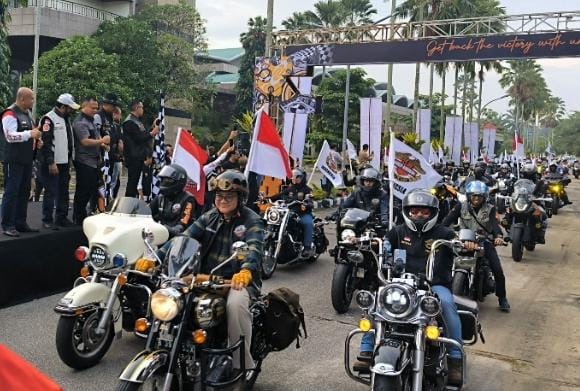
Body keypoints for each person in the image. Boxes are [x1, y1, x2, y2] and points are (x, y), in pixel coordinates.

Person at [156, 169, 263, 376]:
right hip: (204, 278)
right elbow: (183, 238)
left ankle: (241, 366)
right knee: (169, 294)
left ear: (240, 198)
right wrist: (155, 257)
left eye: (229, 196)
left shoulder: (252, 220)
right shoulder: (209, 217)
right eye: (219, 196)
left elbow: (254, 248)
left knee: (235, 306)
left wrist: (246, 270)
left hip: (235, 282)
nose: (223, 200)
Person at [358, 189, 465, 385]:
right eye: (414, 211)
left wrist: (465, 245)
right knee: (376, 301)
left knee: (448, 305)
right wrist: (373, 243)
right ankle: (366, 349)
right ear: (407, 212)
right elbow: (385, 243)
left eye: (424, 212)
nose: (419, 215)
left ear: (433, 213)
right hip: (401, 285)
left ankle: (455, 359)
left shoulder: (444, 233)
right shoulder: (398, 231)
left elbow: (458, 244)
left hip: (434, 286)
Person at [442, 180, 510, 312]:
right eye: (473, 195)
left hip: (483, 241)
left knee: (497, 269)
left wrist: (498, 237)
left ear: (484, 197)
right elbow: (446, 222)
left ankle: (502, 297)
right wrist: (442, 232)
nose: (476, 198)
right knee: (442, 261)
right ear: (468, 196)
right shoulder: (460, 207)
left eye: (479, 196)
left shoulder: (490, 209)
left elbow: (494, 225)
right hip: (462, 241)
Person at [0, 87, 42, 236]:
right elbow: (10, 136)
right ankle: (7, 225)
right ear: (22, 99)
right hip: (13, 159)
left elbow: (30, 134)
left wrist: (36, 141)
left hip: (26, 159)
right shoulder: (10, 113)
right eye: (31, 98)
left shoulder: (27, 114)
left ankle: (20, 222)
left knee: (24, 192)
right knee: (11, 192)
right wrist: (30, 134)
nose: (33, 101)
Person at [38, 93, 78, 229]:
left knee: (64, 190)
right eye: (70, 107)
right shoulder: (49, 119)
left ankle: (61, 217)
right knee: (50, 191)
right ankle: (47, 219)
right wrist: (50, 162)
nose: (72, 110)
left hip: (64, 161)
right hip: (52, 162)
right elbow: (46, 143)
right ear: (63, 106)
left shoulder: (66, 119)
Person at [72, 97, 110, 225]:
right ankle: (78, 217)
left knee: (95, 189)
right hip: (84, 161)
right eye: (92, 108)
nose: (95, 110)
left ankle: (92, 212)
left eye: (96, 108)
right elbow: (85, 141)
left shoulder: (92, 120)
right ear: (84, 106)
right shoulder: (80, 122)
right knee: (83, 190)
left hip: (94, 161)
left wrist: (103, 145)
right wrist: (102, 141)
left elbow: (95, 136)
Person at [267, 168, 315, 257]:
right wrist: (267, 198)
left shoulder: (307, 190)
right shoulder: (290, 188)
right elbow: (279, 195)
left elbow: (311, 201)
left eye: (297, 177)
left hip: (303, 214)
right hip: (290, 212)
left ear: (302, 178)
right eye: (293, 177)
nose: (294, 179)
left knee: (308, 223)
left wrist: (308, 203)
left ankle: (307, 247)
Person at [123, 100, 158, 198]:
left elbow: (143, 135)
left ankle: (133, 202)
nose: (143, 110)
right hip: (133, 156)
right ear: (136, 108)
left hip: (139, 156)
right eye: (141, 107)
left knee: (135, 183)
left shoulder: (137, 121)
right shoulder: (130, 122)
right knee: (132, 183)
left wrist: (152, 129)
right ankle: (128, 203)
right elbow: (138, 138)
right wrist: (151, 134)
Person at [150, 164, 197, 237]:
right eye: (163, 179)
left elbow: (183, 223)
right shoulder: (160, 198)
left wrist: (168, 229)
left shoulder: (188, 200)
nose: (163, 182)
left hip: (177, 239)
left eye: (167, 180)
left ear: (179, 182)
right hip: (159, 235)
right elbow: (146, 212)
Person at [94, 93, 123, 202]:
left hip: (110, 157)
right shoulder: (98, 116)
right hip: (100, 156)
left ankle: (105, 204)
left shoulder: (110, 117)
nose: (115, 108)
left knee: (109, 182)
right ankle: (95, 207)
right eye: (113, 105)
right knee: (99, 185)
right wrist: (102, 144)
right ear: (107, 104)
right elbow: (95, 135)